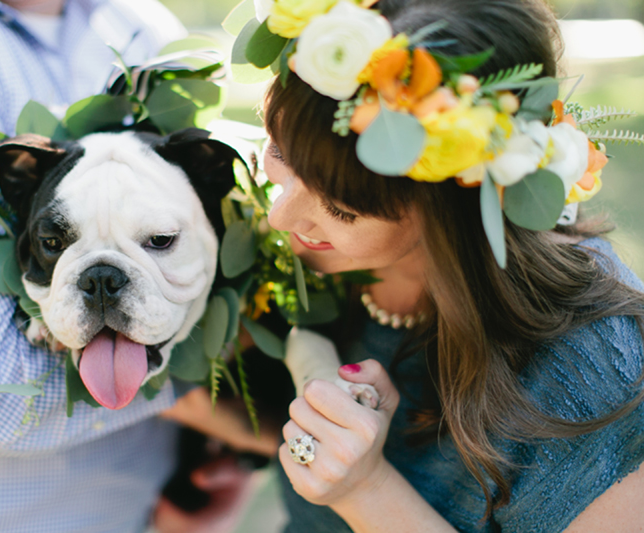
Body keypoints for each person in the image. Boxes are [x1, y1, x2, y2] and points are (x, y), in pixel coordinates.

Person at [0, 1, 263, 531]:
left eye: (156, 239)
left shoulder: (142, 26)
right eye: (55, 243)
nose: (107, 283)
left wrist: (215, 453)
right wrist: (250, 412)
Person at [251, 0, 644, 530]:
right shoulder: (310, 263)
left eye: (341, 208)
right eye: (279, 152)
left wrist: (365, 489)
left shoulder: (596, 376)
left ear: (452, 212)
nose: (279, 216)